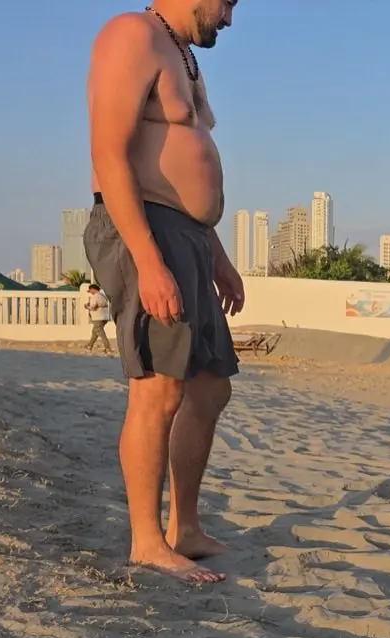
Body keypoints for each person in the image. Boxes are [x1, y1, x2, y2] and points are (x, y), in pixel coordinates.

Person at [83, 0, 245, 584]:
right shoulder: (131, 35)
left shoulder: (184, 58)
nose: (227, 19)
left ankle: (186, 528)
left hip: (189, 237)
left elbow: (191, 169)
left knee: (210, 388)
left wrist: (217, 257)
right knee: (160, 389)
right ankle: (147, 541)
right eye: (226, 4)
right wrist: (149, 261)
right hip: (143, 228)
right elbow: (109, 152)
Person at [84, 283, 113, 353]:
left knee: (101, 333)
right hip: (105, 317)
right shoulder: (103, 295)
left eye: (90, 290)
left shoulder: (95, 296)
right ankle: (89, 346)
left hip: (98, 317)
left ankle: (107, 348)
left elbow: (93, 307)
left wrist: (87, 306)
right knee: (95, 332)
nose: (90, 292)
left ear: (93, 289)